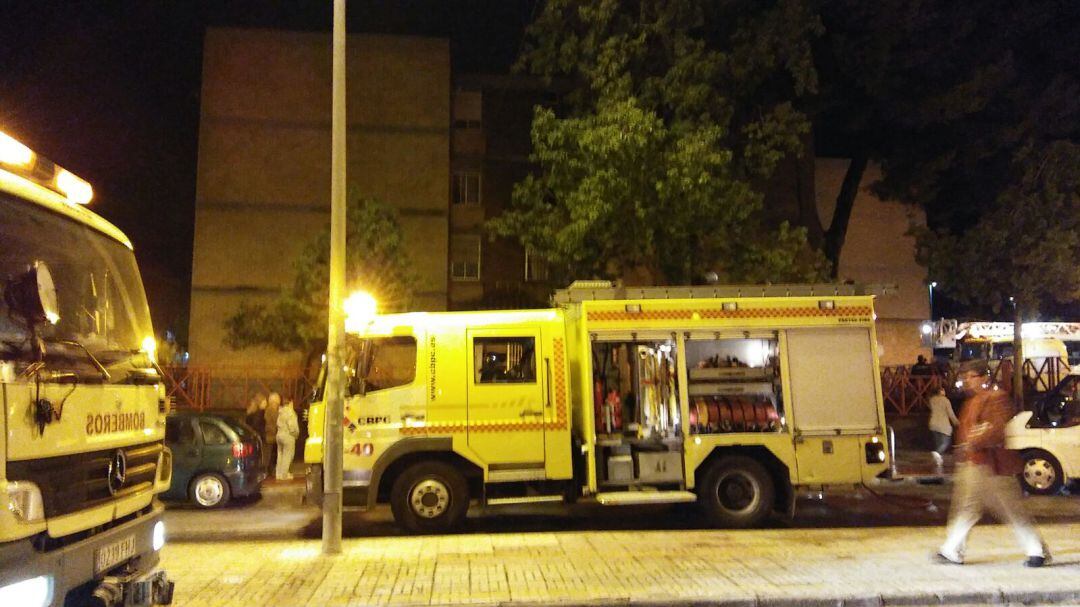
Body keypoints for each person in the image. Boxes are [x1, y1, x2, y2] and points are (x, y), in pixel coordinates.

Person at [935, 361, 1051, 567]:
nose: (967, 381)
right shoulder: (973, 401)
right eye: (965, 377)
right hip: (975, 463)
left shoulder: (996, 398)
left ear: (984, 377)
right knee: (969, 507)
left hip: (993, 464)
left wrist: (973, 443)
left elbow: (994, 429)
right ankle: (951, 549)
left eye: (971, 376)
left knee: (1009, 509)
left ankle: (1037, 550)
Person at [927, 387, 958, 467]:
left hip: (933, 424)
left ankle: (938, 460)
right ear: (941, 392)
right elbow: (950, 413)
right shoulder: (945, 400)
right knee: (945, 442)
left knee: (938, 443)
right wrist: (956, 422)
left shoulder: (932, 400)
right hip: (943, 425)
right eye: (943, 390)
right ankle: (937, 453)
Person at [275, 399, 300, 480]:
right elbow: (292, 427)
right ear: (290, 403)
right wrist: (296, 434)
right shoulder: (290, 412)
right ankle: (284, 474)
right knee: (288, 455)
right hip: (288, 436)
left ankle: (278, 473)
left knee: (280, 455)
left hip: (279, 435)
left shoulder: (280, 412)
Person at [264, 392, 280, 472]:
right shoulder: (271, 410)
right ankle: (269, 470)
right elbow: (277, 420)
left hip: (272, 435)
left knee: (271, 454)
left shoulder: (269, 410)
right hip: (271, 435)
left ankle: (270, 469)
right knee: (270, 454)